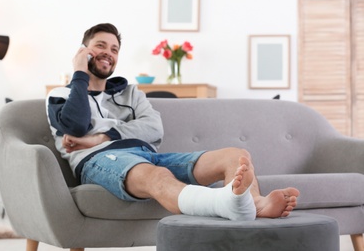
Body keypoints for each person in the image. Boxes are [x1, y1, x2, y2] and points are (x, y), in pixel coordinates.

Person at [46, 23, 300, 221]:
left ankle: (255, 204)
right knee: (158, 176)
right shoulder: (60, 95)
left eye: (114, 49)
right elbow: (77, 126)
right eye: (100, 46)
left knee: (236, 155)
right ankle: (227, 206)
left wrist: (101, 136)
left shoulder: (130, 93)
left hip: (145, 155)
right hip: (99, 162)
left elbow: (154, 128)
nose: (108, 54)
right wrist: (79, 71)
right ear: (83, 50)